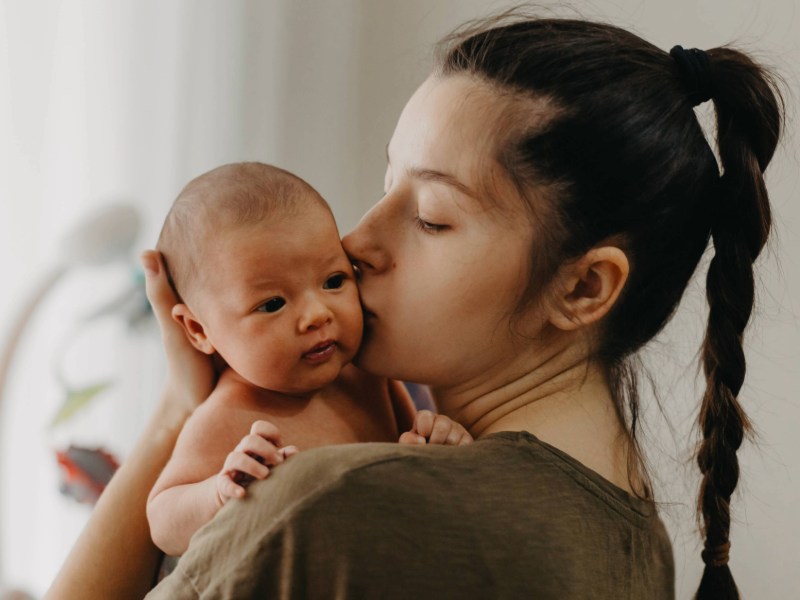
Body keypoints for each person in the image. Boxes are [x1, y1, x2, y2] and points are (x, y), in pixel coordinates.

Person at [45, 13, 785, 600]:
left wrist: (176, 417)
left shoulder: (332, 506)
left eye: (430, 216)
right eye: (384, 180)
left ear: (584, 287)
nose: (356, 240)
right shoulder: (629, 535)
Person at [146, 162, 469, 556]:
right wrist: (219, 492)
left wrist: (434, 447)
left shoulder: (365, 377)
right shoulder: (225, 415)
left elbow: (407, 446)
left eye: (334, 281)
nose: (318, 314)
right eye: (273, 304)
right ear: (198, 331)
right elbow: (163, 520)